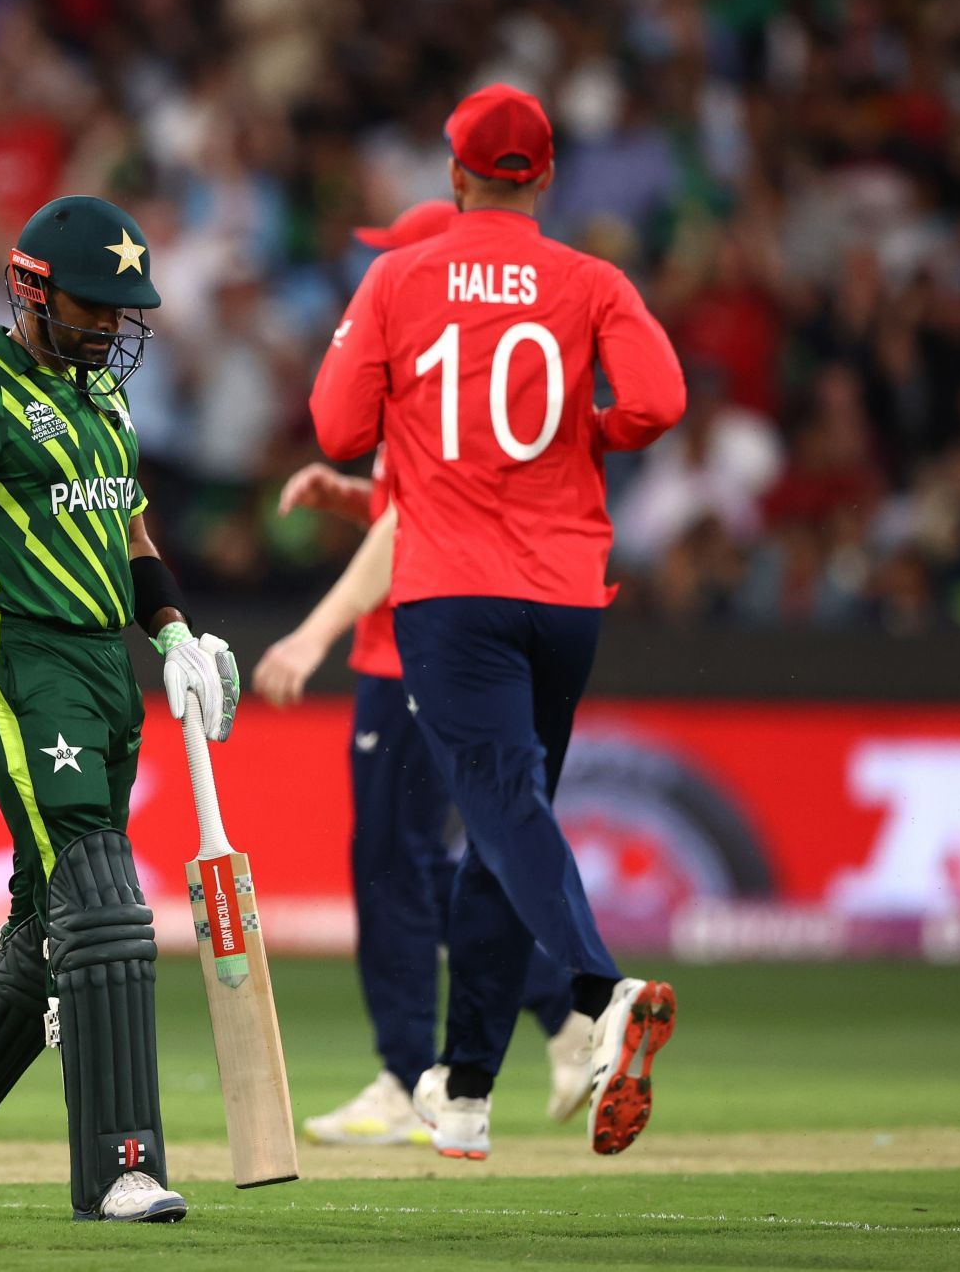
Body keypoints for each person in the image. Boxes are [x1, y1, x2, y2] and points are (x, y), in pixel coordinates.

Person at [313, 85, 686, 1159]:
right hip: (566, 593)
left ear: (454, 172)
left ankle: (598, 991)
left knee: (504, 811)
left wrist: (421, 422)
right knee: (499, 825)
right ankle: (467, 1088)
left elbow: (337, 425)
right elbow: (660, 402)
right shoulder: (592, 279)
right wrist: (588, 433)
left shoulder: (400, 277)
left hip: (453, 590)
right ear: (548, 177)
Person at [0, 195, 238, 1223]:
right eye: (94, 304)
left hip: (106, 668)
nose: (113, 325)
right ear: (31, 289)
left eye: (125, 308)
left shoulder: (102, 401)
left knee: (47, 920)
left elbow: (134, 532)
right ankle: (122, 1165)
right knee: (105, 904)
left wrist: (174, 634)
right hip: (20, 661)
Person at [258, 202, 592, 1150]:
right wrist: (356, 496)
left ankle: (416, 1076)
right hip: (460, 635)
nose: (379, 269)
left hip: (410, 647)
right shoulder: (461, 360)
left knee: (397, 865)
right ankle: (560, 1017)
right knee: (439, 858)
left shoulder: (421, 350)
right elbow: (416, 509)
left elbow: (414, 531)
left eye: (391, 255)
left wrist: (312, 633)